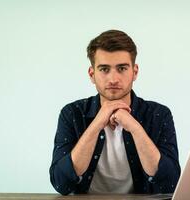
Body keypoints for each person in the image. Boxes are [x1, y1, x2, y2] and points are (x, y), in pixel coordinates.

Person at [49, 30, 180, 195]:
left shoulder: (159, 114)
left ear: (135, 72)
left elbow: (170, 184)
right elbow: (61, 183)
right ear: (92, 74)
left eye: (122, 68)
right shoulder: (72, 113)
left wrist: (134, 127)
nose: (113, 79)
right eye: (104, 69)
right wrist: (97, 124)